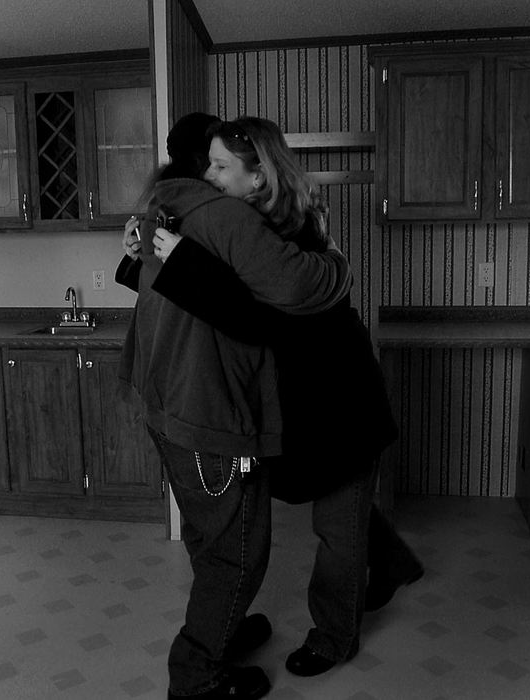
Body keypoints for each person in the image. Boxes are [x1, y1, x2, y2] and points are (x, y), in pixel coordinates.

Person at [124, 116, 424, 679]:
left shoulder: (294, 234)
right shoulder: (249, 223)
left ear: (259, 177)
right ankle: (394, 563)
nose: (207, 177)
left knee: (336, 528)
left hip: (342, 404)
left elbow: (251, 315)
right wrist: (141, 259)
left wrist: (183, 262)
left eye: (220, 167)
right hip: (303, 402)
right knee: (339, 506)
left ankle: (335, 637)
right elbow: (211, 303)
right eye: (207, 163)